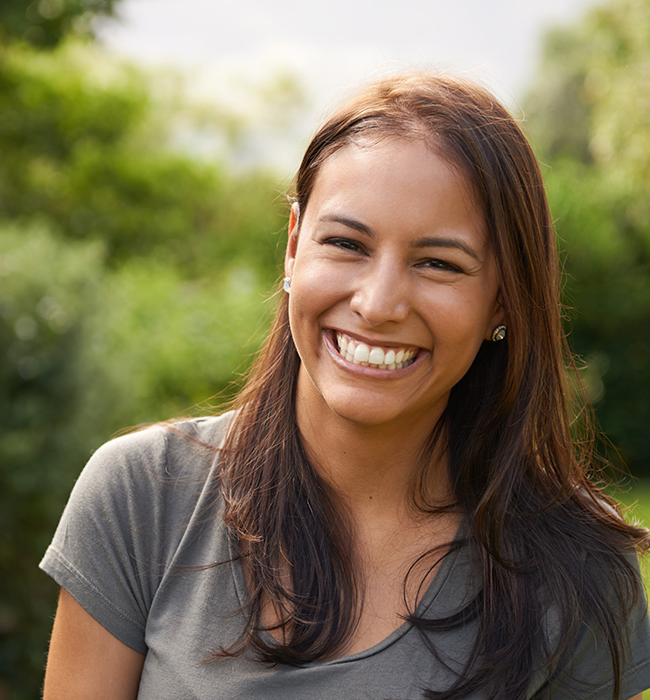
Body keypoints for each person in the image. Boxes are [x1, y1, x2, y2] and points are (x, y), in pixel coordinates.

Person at [40, 73, 650, 700]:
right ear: (293, 248)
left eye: (438, 263)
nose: (379, 302)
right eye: (346, 243)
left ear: (503, 299)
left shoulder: (579, 570)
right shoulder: (142, 498)